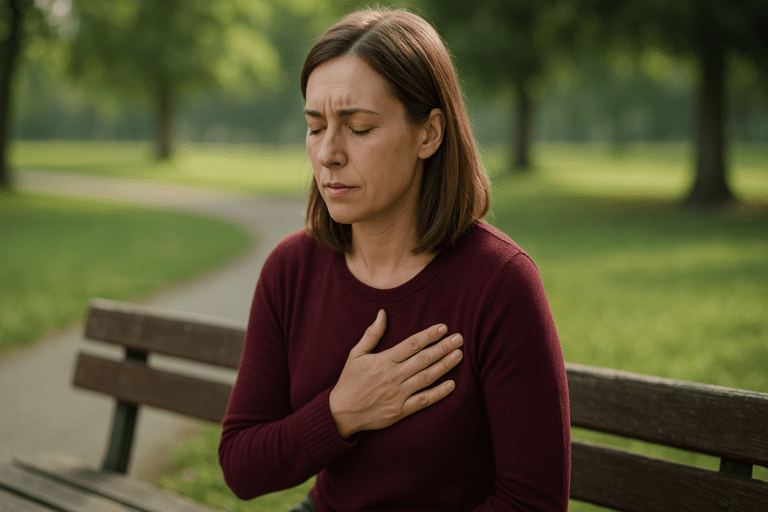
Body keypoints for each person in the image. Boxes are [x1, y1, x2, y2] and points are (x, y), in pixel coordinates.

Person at [219, 8, 570, 511]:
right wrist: (341, 412)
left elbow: (532, 503)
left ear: (429, 133)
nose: (328, 154)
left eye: (358, 128)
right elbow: (240, 465)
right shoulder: (292, 269)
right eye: (316, 127)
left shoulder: (500, 284)